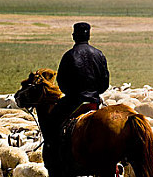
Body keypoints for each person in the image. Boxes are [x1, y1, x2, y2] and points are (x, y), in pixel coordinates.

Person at [46, 22, 109, 158]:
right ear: (89, 36)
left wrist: (73, 93)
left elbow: (62, 83)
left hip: (74, 102)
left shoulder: (69, 56)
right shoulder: (99, 55)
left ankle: (55, 156)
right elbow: (104, 83)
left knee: (52, 120)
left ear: (74, 36)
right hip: (94, 101)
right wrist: (94, 92)